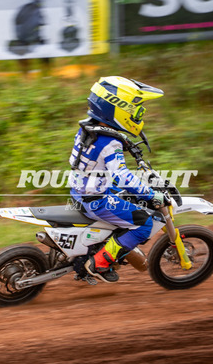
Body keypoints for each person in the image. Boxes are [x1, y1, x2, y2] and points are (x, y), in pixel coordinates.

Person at [68, 76, 165, 283]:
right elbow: (122, 176)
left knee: (126, 199)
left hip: (80, 190)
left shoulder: (87, 129)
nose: (139, 115)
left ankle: (97, 248)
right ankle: (99, 263)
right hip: (96, 200)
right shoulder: (110, 142)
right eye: (136, 111)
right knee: (144, 224)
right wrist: (150, 194)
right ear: (119, 109)